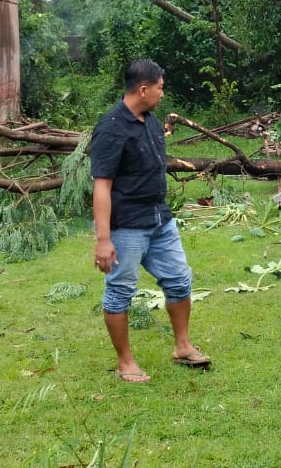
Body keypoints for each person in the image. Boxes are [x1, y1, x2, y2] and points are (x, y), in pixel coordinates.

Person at [90, 58, 210, 383]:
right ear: (143, 89)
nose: (161, 93)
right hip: (127, 225)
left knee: (179, 280)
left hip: (160, 220)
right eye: (159, 87)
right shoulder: (111, 129)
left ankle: (183, 346)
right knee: (120, 292)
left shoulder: (152, 121)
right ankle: (125, 361)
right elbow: (102, 187)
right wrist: (103, 239)